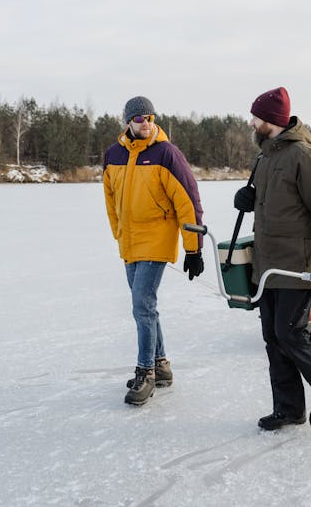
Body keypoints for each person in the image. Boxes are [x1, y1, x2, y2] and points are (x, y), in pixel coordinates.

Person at [234, 87, 311, 430]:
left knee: (291, 333)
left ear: (269, 120)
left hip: (296, 265)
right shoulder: (266, 156)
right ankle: (289, 408)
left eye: (255, 117)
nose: (251, 122)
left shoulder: (303, 155)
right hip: (267, 263)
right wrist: (249, 199)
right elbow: (276, 205)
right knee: (273, 335)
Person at [103, 96, 204, 406]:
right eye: (139, 119)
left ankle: (145, 371)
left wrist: (193, 248)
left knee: (141, 306)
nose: (145, 123)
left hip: (157, 240)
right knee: (145, 306)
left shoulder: (166, 154)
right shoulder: (114, 155)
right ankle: (161, 364)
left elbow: (188, 201)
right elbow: (111, 201)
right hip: (129, 243)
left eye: (149, 117)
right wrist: (119, 234)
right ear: (128, 122)